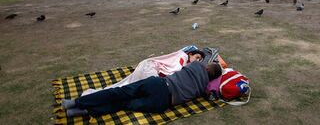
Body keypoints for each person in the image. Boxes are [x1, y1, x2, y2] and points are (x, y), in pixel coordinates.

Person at [61, 62, 222, 117]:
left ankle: (76, 102)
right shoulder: (203, 88)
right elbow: (212, 89)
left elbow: (193, 60)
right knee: (122, 104)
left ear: (207, 67)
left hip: (158, 84)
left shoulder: (196, 66)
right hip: (162, 103)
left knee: (117, 93)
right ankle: (83, 112)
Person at [81, 49, 205, 96]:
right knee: (129, 89)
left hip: (148, 66)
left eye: (200, 60)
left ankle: (94, 95)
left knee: (125, 86)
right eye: (197, 57)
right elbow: (175, 71)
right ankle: (93, 96)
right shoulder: (182, 57)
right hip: (150, 69)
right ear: (191, 54)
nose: (197, 61)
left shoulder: (184, 58)